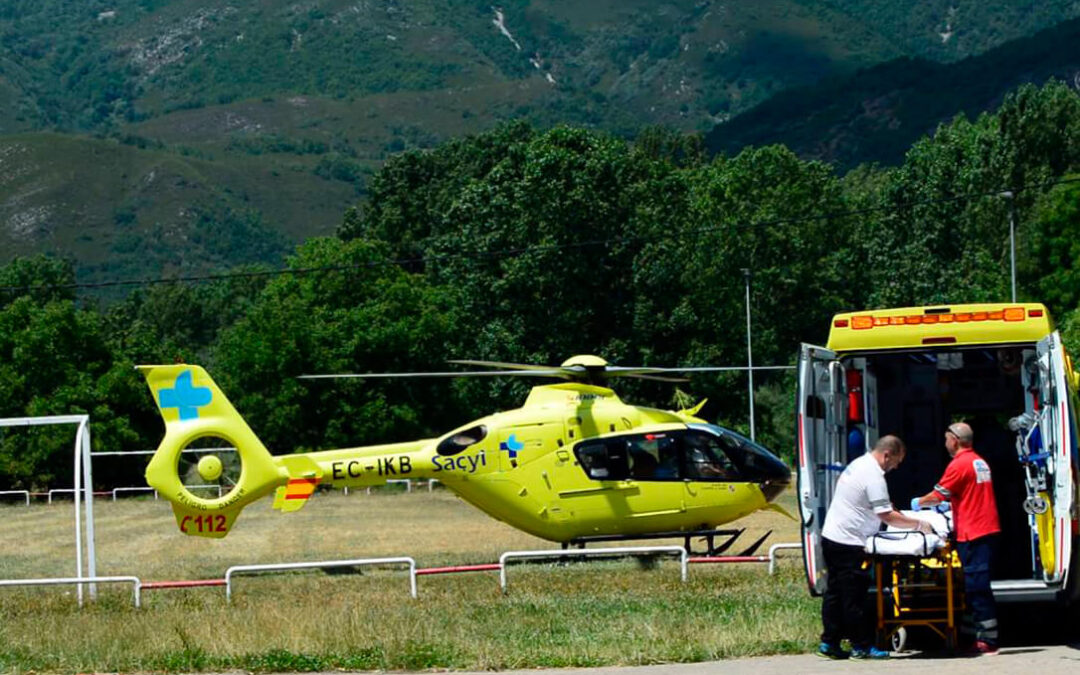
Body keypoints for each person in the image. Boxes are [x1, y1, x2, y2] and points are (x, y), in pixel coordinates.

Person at [818, 435, 933, 661]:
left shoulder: (859, 464)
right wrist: (919, 524)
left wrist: (894, 511)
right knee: (854, 596)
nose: (897, 466)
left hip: (832, 536)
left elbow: (877, 504)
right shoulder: (874, 476)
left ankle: (829, 641)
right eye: (897, 461)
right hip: (850, 543)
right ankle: (860, 646)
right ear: (887, 454)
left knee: (834, 593)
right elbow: (886, 516)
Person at [913, 422, 1000, 656]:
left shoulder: (959, 464)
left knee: (976, 586)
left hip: (973, 532)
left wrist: (917, 503)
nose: (944, 444)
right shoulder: (978, 461)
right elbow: (967, 493)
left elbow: (937, 495)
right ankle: (974, 636)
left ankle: (988, 640)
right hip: (985, 528)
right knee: (974, 586)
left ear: (955, 439)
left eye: (946, 439)